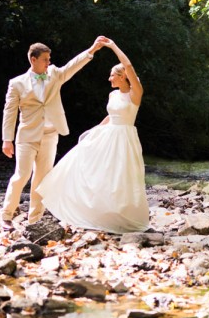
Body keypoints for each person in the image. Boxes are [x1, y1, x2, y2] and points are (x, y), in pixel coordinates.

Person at [36, 39, 149, 234]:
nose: (109, 79)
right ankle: (97, 213)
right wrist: (94, 131)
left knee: (122, 178)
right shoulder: (112, 96)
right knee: (95, 173)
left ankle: (123, 216)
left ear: (123, 77)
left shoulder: (134, 94)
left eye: (112, 75)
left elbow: (129, 66)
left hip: (124, 139)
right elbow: (111, 116)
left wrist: (113, 46)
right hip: (107, 136)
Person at [0, 36, 109, 231]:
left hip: (50, 135)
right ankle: (6, 215)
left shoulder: (54, 74)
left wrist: (91, 50)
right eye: (45, 59)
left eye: (49, 59)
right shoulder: (16, 83)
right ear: (33, 59)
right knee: (21, 175)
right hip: (26, 137)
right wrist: (7, 140)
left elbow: (71, 67)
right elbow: (9, 113)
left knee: (42, 178)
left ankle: (34, 219)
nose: (49, 62)